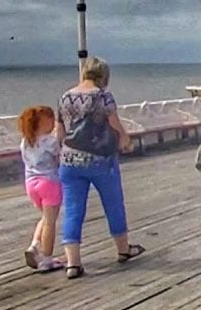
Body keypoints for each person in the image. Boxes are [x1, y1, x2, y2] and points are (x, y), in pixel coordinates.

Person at [56, 57, 141, 279]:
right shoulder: (103, 96)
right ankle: (123, 249)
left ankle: (73, 264)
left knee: (73, 210)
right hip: (100, 159)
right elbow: (114, 123)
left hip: (69, 161)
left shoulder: (65, 96)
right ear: (103, 76)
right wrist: (125, 138)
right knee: (113, 204)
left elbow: (60, 133)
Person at [17, 105, 65, 272]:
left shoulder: (25, 142)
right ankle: (46, 259)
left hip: (31, 184)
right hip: (49, 183)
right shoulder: (50, 141)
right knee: (50, 223)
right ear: (44, 122)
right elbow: (60, 156)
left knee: (45, 218)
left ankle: (35, 245)